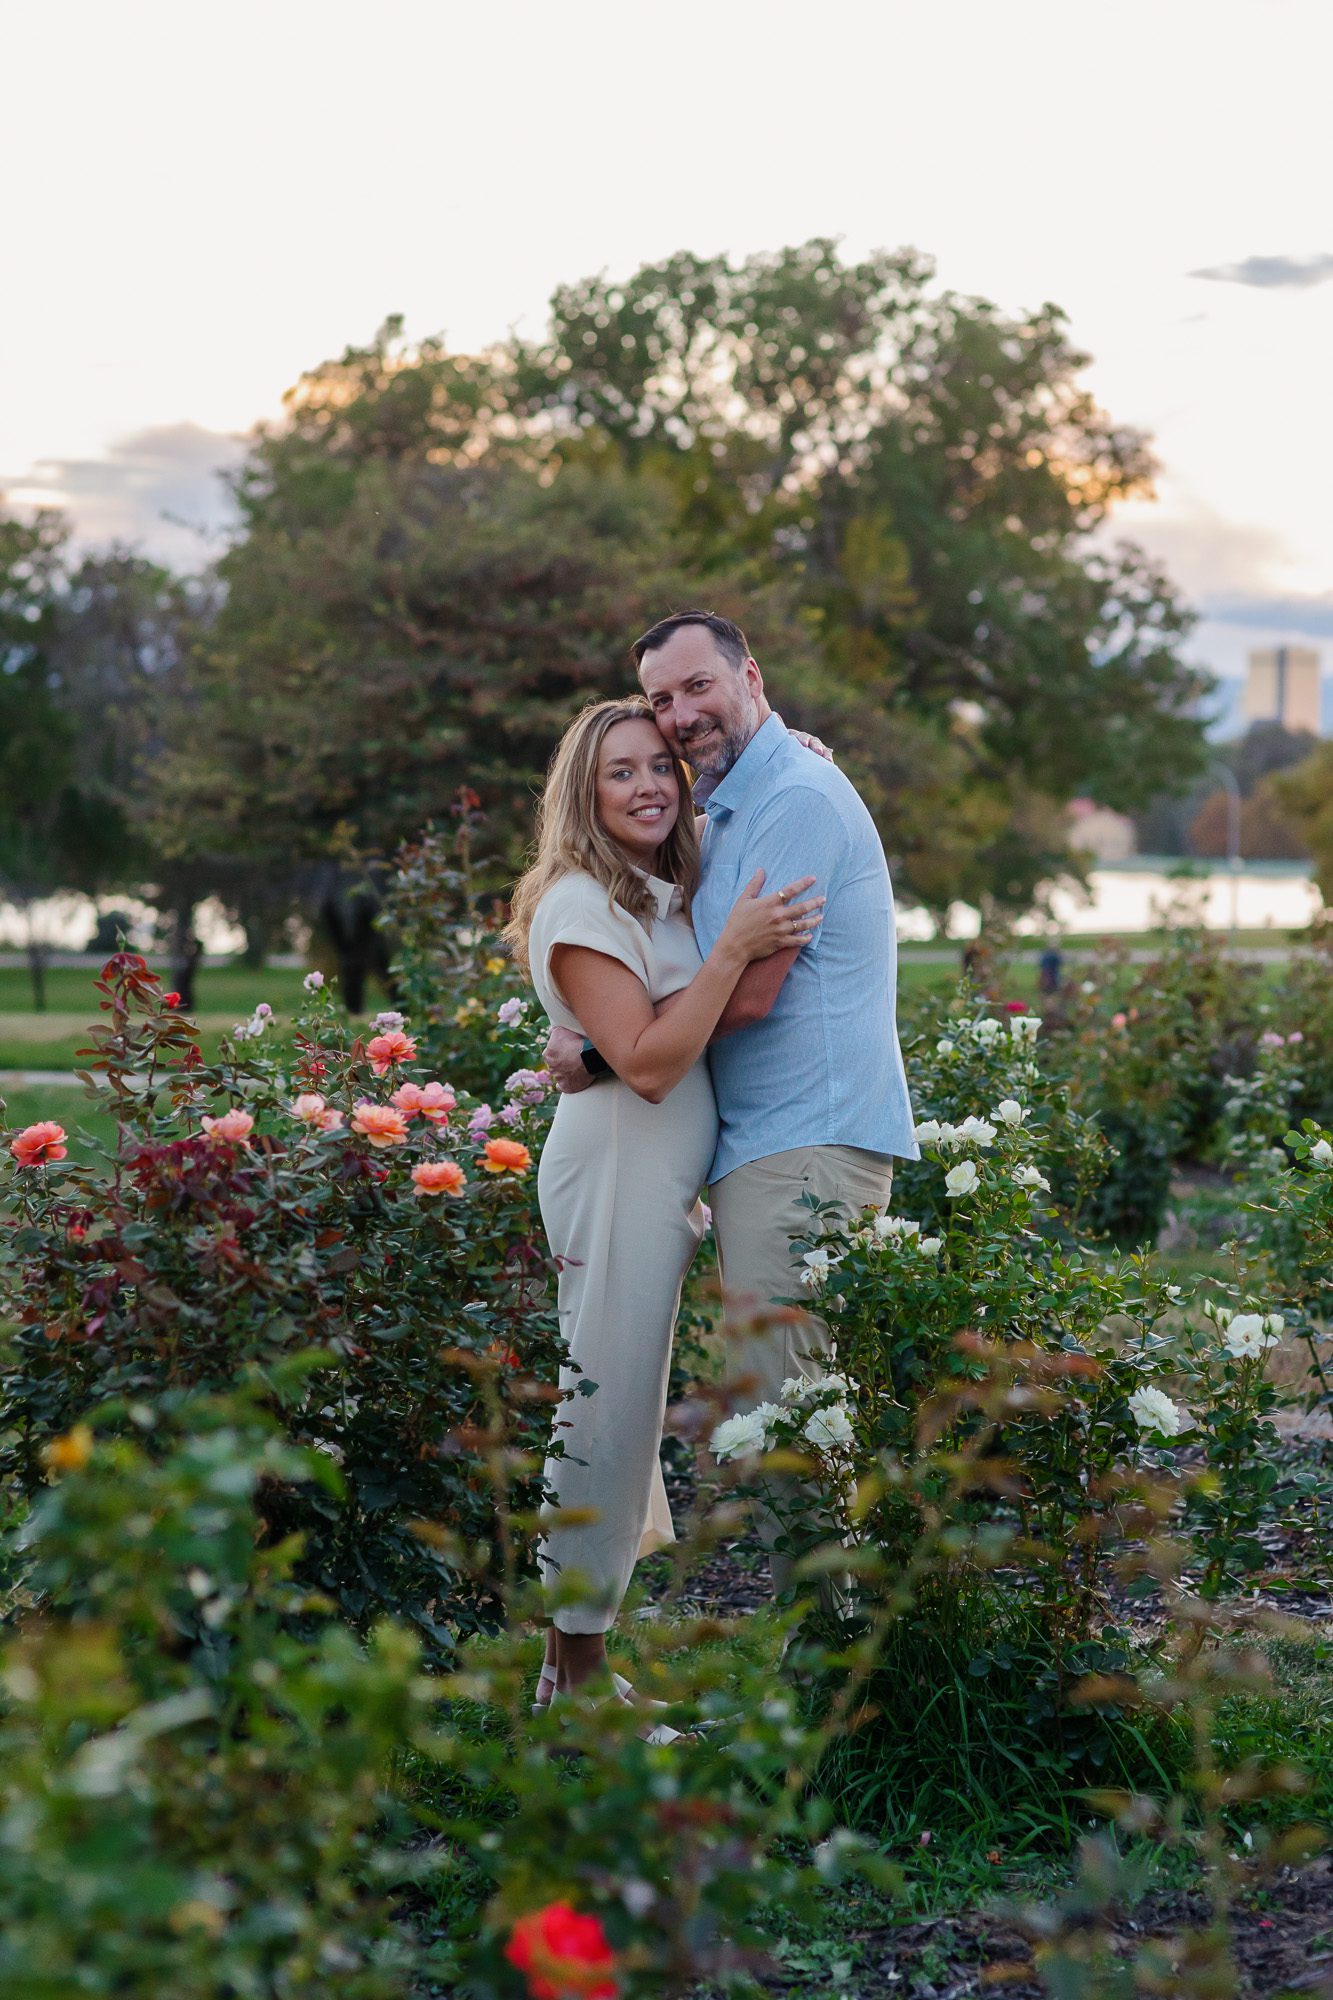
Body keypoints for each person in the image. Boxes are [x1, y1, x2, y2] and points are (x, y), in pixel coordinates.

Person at [545, 611, 918, 1606]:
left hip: (805, 1141)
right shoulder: (741, 798)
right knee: (788, 1408)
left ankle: (827, 1684)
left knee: (790, 1415)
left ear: (750, 675)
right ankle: (828, 1668)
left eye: (697, 687)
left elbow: (748, 993)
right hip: (761, 1148)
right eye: (662, 699)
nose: (678, 716)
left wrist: (598, 1050)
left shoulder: (788, 797)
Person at [504, 696, 823, 1731]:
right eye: (619, 772)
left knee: (622, 1412)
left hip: (649, 1182)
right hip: (610, 1171)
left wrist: (797, 758)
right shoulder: (577, 904)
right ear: (583, 795)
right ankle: (583, 1682)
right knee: (601, 1410)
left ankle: (567, 1672)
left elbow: (638, 1036)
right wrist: (730, 948)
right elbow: (645, 1063)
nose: (647, 784)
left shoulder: (654, 890)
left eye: (659, 765)